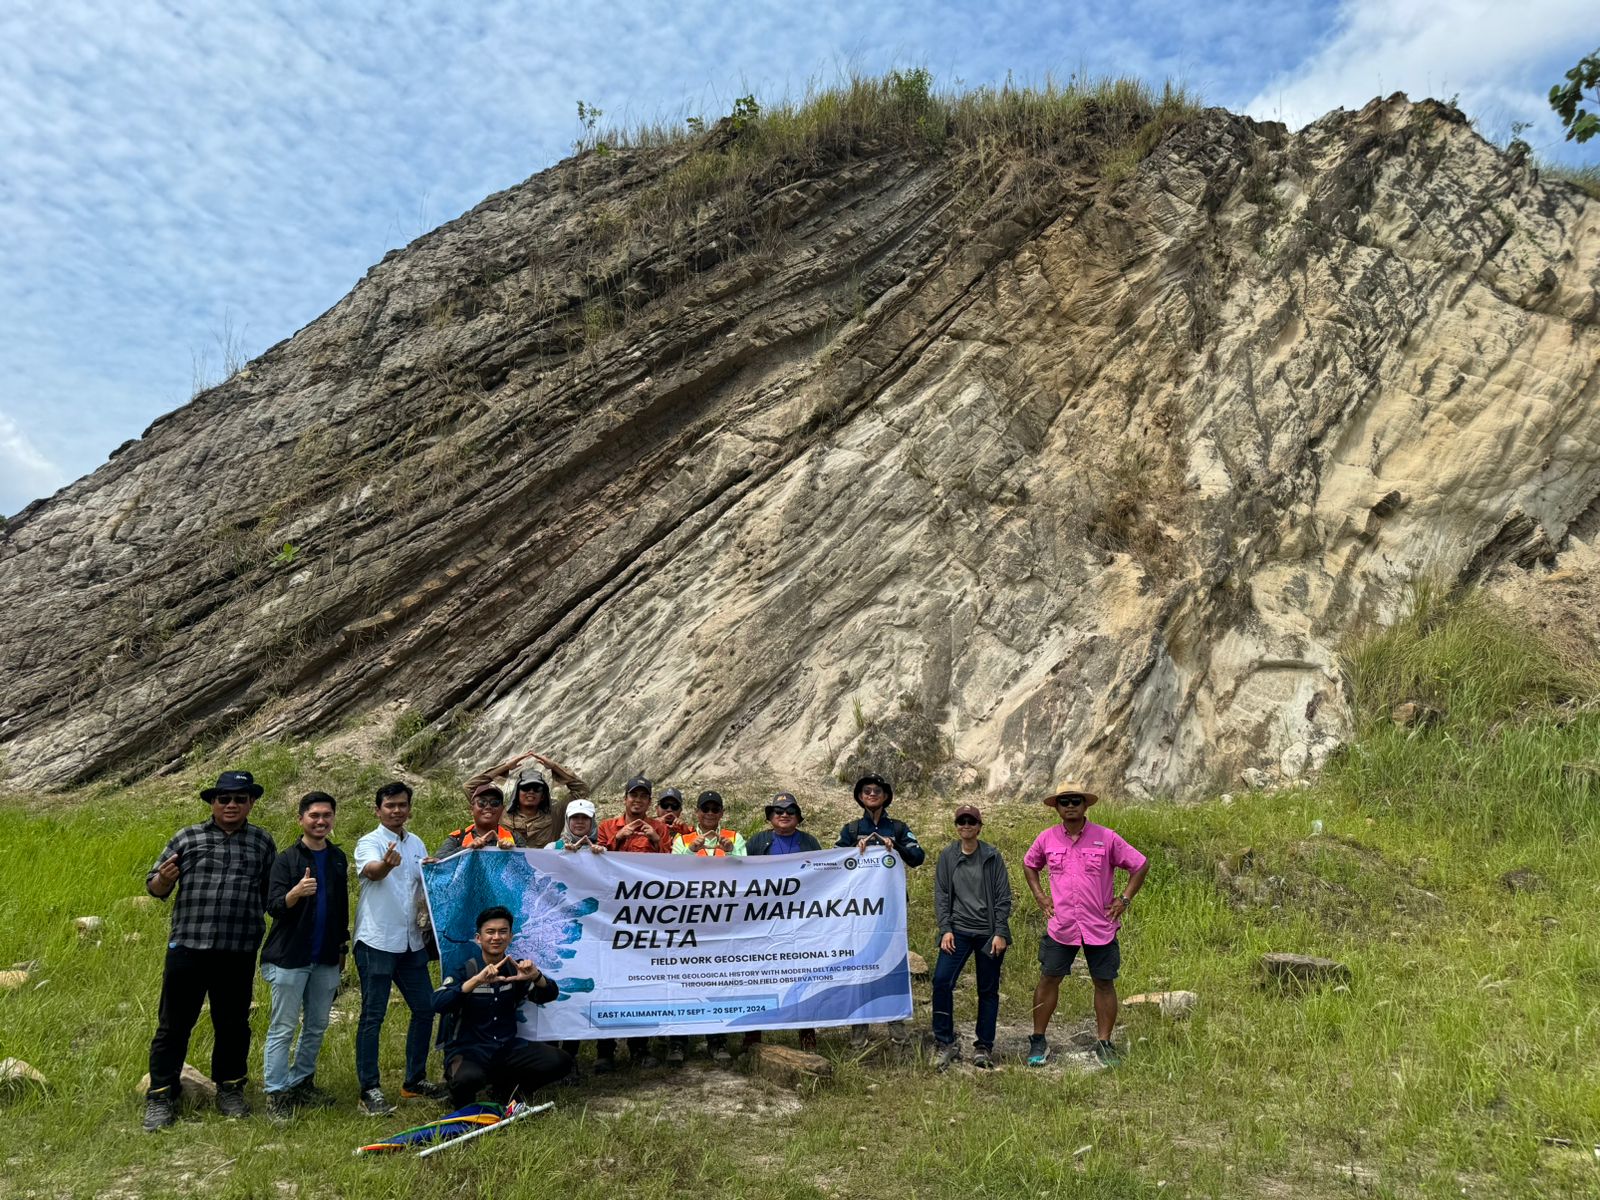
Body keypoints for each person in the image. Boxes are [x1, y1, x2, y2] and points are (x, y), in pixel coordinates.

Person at [142, 770, 277, 1131]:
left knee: (233, 1024)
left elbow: (270, 895)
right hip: (188, 945)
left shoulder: (263, 842)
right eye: (224, 798)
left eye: (239, 798)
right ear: (212, 803)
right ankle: (160, 1096)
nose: (231, 804)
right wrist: (164, 880)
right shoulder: (188, 837)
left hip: (238, 948)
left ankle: (230, 1090)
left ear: (251, 803)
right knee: (173, 1025)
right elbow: (154, 887)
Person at [1023, 782, 1149, 1068]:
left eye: (1075, 800)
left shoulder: (1106, 838)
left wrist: (1124, 900)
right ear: (1057, 806)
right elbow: (1030, 864)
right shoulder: (1046, 839)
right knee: (1049, 978)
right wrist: (1040, 896)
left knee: (1104, 982)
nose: (1070, 805)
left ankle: (1104, 1042)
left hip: (1100, 924)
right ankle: (1038, 1038)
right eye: (1064, 801)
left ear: (1085, 805)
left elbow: (1140, 864)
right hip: (1062, 924)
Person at [353, 781, 444, 1117]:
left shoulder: (416, 842)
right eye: (390, 805)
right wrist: (387, 864)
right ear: (378, 810)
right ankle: (369, 1088)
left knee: (425, 1008)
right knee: (373, 1016)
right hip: (377, 940)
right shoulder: (369, 842)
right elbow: (373, 873)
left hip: (410, 941)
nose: (396, 810)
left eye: (402, 805)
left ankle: (414, 1081)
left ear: (409, 808)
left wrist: (431, 867)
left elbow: (421, 883)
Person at [260, 791, 350, 1119]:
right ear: (301, 819)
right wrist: (295, 894)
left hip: (326, 955)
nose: (321, 821)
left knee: (317, 1024)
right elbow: (273, 907)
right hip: (289, 957)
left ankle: (301, 1083)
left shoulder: (338, 858)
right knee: (283, 1025)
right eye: (314, 815)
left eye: (327, 815)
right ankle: (276, 1092)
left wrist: (343, 946)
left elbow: (341, 909)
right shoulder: (286, 860)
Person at [432, 906, 573, 1106]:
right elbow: (438, 1003)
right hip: (469, 1051)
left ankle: (510, 1091)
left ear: (510, 937)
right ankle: (458, 1097)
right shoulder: (465, 969)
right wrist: (475, 981)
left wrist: (536, 976)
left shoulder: (515, 969)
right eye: (490, 932)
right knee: (467, 1080)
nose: (496, 937)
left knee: (561, 1061)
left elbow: (548, 995)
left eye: (502, 932)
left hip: (507, 1048)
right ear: (478, 938)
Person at [836, 773, 924, 1045]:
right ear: (860, 797)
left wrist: (895, 847)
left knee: (892, 964)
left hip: (891, 912)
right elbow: (834, 863)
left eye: (877, 790)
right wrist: (852, 850)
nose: (872, 794)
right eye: (866, 791)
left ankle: (897, 1034)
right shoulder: (851, 830)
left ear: (886, 796)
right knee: (859, 965)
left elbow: (918, 857)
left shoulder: (897, 828)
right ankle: (858, 1035)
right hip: (859, 911)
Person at [930, 805, 1012, 1071]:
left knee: (987, 990)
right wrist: (946, 929)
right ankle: (945, 1041)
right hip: (959, 931)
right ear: (956, 826)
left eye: (971, 821)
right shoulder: (948, 855)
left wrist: (1000, 931)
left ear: (979, 826)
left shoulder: (991, 856)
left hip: (988, 933)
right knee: (942, 981)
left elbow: (1003, 897)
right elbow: (942, 895)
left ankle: (984, 1046)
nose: (966, 825)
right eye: (961, 821)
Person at [595, 776, 668, 1070]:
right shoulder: (607, 827)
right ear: (624, 799)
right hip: (611, 912)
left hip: (646, 913)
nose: (637, 801)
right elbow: (594, 863)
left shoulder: (660, 827)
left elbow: (675, 868)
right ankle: (605, 1050)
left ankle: (639, 1046)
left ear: (649, 802)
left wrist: (654, 839)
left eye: (643, 796)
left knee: (641, 977)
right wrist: (619, 838)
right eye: (632, 795)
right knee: (608, 976)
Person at [743, 793, 820, 1052]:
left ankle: (807, 1034)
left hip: (799, 921)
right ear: (770, 817)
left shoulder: (809, 842)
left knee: (801, 974)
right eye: (778, 810)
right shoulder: (758, 841)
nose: (784, 814)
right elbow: (739, 874)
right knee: (758, 974)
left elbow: (824, 876)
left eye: (790, 810)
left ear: (798, 816)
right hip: (763, 921)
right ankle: (752, 1036)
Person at [464, 750, 589, 848]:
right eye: (525, 787)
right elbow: (469, 787)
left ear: (543, 795)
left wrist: (555, 767)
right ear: (517, 792)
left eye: (537, 788)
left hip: (543, 872)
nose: (531, 792)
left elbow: (582, 790)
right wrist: (505, 767)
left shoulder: (555, 814)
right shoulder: (501, 813)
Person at [435, 784, 523, 858]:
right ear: (471, 809)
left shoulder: (515, 838)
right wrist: (466, 849)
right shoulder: (457, 838)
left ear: (502, 810)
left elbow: (529, 869)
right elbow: (438, 864)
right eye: (482, 802)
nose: (488, 807)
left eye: (494, 803)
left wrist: (514, 852)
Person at [672, 791, 747, 856]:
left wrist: (730, 851)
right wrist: (691, 851)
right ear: (696, 811)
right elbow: (676, 869)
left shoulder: (736, 838)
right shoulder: (681, 841)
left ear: (722, 813)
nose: (710, 813)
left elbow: (743, 868)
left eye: (715, 809)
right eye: (705, 809)